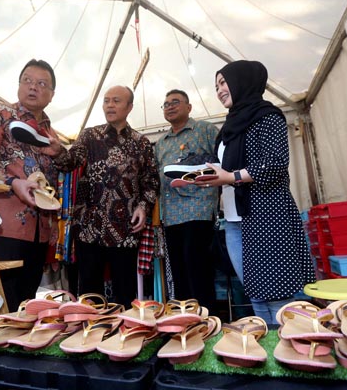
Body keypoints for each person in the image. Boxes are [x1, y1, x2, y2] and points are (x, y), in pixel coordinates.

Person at [197, 60, 315, 324]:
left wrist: (230, 177)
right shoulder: (229, 127)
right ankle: (268, 352)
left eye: (223, 82)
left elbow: (274, 163)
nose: (219, 90)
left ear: (242, 81)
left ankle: (283, 351)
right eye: (216, 86)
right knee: (256, 294)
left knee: (276, 295)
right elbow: (228, 168)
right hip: (235, 220)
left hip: (266, 217)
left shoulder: (267, 116)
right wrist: (207, 176)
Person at [48, 85, 160, 308]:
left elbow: (151, 181)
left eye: (116, 101)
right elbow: (70, 163)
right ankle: (88, 335)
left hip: (126, 227)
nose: (109, 105)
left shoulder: (142, 143)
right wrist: (58, 151)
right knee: (89, 292)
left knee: (125, 289)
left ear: (129, 107)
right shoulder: (90, 135)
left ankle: (125, 337)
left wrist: (142, 207)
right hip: (90, 225)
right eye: (106, 100)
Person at [0, 59, 58, 312]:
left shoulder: (50, 133)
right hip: (4, 225)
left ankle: (19, 350)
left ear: (51, 95)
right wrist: (11, 182)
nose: (33, 87)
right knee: (0, 302)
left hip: (40, 230)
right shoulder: (0, 113)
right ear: (19, 85)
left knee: (25, 304)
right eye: (27, 81)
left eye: (42, 84)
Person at [154, 89, 219, 312]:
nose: (169, 106)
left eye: (175, 102)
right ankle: (184, 323)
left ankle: (208, 320)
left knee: (198, 269)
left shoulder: (205, 130)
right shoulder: (161, 142)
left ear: (189, 107)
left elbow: (223, 163)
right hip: (171, 216)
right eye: (165, 104)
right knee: (179, 273)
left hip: (198, 211)